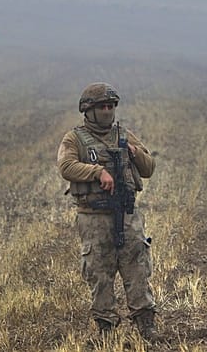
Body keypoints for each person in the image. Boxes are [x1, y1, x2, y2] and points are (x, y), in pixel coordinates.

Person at [57, 82, 159, 341]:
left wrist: (134, 153)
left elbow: (148, 168)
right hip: (94, 216)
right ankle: (106, 330)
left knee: (137, 268)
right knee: (99, 273)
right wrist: (97, 171)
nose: (106, 111)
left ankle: (146, 326)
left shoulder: (124, 135)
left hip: (127, 215)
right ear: (88, 111)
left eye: (110, 106)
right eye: (101, 106)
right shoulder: (75, 139)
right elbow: (66, 166)